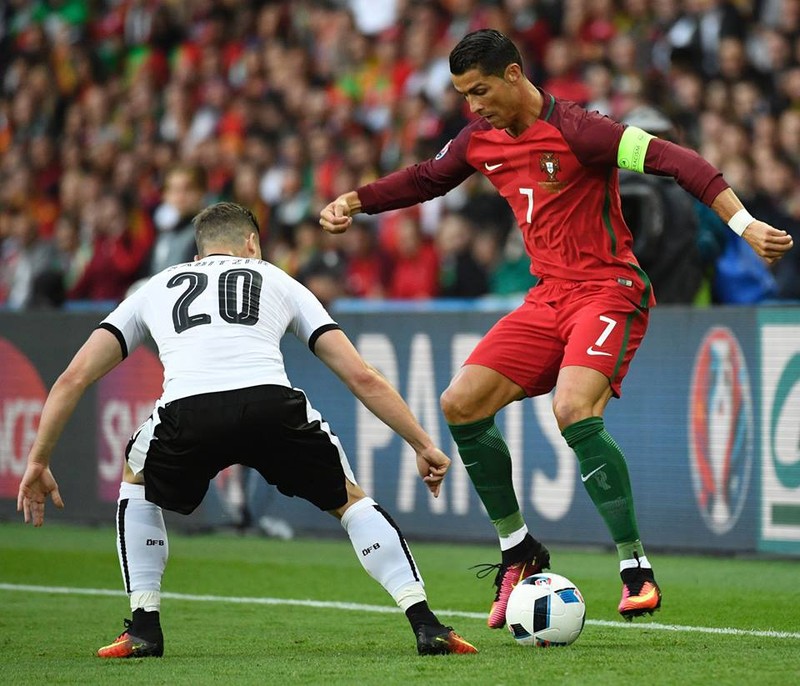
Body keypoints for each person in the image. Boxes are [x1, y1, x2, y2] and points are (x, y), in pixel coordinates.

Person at [320, 29, 794, 627]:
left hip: (608, 291)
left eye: (481, 90)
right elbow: (423, 180)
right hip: (547, 299)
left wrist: (744, 224)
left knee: (573, 409)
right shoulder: (480, 139)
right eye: (464, 95)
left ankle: (635, 569)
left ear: (514, 75)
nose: (473, 106)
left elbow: (680, 161)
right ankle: (518, 548)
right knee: (460, 404)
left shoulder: (582, 131)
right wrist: (355, 201)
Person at [16, 202, 477, 658]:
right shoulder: (277, 277)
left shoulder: (155, 288)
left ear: (196, 255)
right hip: (269, 405)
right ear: (252, 244)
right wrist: (422, 443)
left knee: (136, 481)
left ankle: (144, 629)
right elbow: (361, 376)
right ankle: (425, 623)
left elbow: (74, 377)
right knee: (350, 500)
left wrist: (38, 460)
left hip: (188, 411)